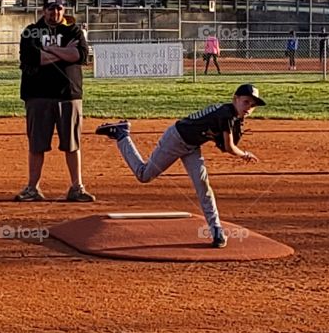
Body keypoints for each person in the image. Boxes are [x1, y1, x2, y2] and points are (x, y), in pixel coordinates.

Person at [95, 83, 265, 248]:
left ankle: (216, 230)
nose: (249, 107)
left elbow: (221, 144)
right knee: (144, 175)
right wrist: (245, 154)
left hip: (192, 146)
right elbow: (229, 147)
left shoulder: (232, 117)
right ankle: (122, 134)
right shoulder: (226, 115)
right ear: (235, 99)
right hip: (175, 139)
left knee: (203, 184)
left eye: (253, 104)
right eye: (246, 101)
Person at [15, 0, 96, 203]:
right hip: (38, 95)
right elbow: (32, 58)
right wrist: (64, 52)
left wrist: (49, 50)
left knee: (72, 144)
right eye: (51, 9)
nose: (56, 13)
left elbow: (81, 55)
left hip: (68, 94)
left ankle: (77, 187)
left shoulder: (73, 30)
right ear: (43, 10)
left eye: (59, 8)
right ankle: (33, 188)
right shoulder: (31, 31)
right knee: (37, 145)